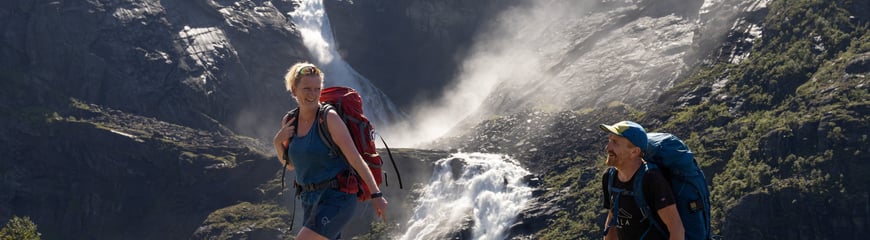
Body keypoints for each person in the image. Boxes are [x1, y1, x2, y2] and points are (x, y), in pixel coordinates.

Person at [273, 62, 388, 240]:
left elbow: (355, 159)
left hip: (338, 197)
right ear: (294, 90)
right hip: (309, 200)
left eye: (317, 89)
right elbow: (290, 165)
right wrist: (277, 142)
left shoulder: (329, 118)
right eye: (307, 89)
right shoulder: (289, 121)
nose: (312, 94)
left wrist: (376, 194)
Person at [599, 121, 684, 240]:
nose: (607, 147)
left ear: (634, 152)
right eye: (609, 141)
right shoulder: (609, 177)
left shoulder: (651, 179)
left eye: (615, 143)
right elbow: (613, 217)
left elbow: (676, 228)